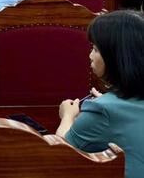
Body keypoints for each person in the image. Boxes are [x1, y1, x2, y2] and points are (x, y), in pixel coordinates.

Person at [56, 11, 144, 178]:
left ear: (115, 57)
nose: (90, 56)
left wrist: (67, 116)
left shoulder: (102, 110)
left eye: (95, 49)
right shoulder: (106, 107)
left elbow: (63, 153)